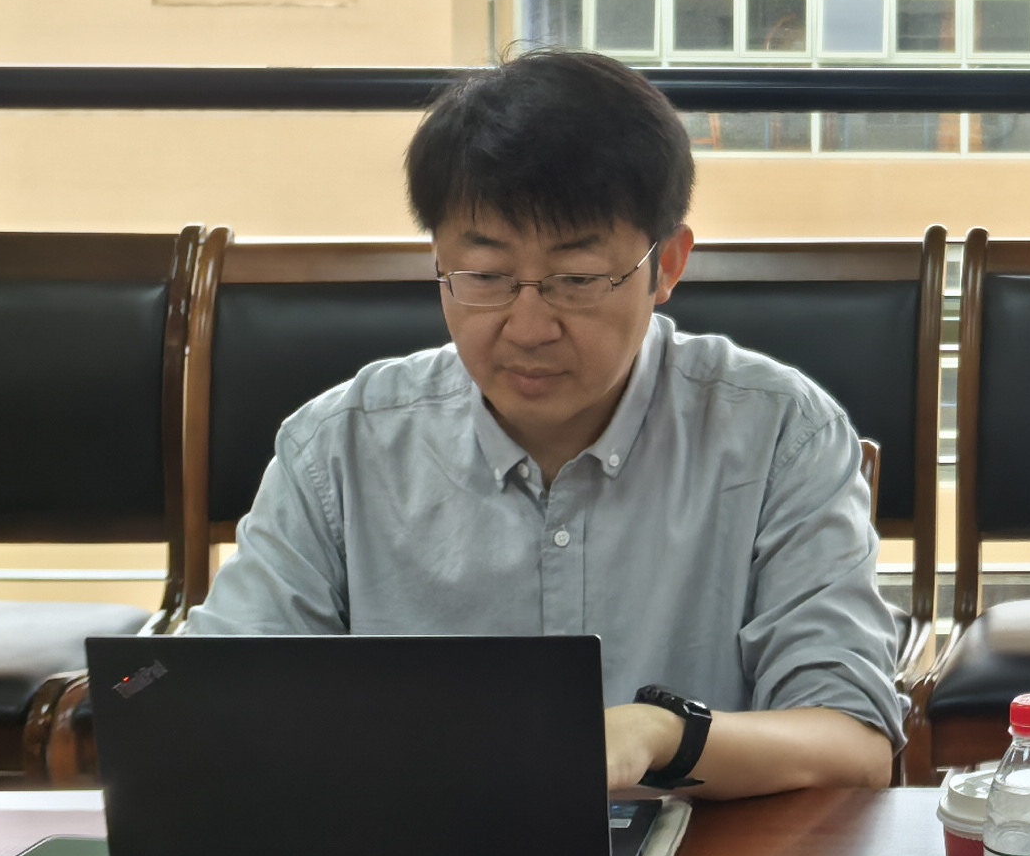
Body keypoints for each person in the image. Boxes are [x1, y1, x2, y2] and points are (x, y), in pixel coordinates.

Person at [193, 49, 902, 799]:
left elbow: (852, 742)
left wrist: (662, 733)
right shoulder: (338, 448)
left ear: (667, 265)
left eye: (577, 279)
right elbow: (212, 705)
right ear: (437, 260)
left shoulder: (779, 434)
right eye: (485, 276)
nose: (529, 328)